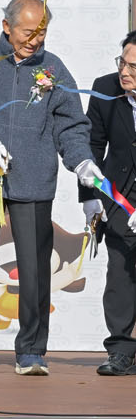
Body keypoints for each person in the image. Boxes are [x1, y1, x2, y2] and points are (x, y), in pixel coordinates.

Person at [0, 0, 98, 375]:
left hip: (34, 182)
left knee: (35, 269)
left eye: (42, 32)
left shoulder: (54, 69)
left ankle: (32, 351)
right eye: (27, 32)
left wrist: (81, 161)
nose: (35, 40)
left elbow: (71, 125)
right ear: (7, 27)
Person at [85, 32, 136, 377]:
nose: (124, 72)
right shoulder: (104, 89)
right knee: (119, 271)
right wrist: (90, 197)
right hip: (119, 194)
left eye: (133, 67)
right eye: (122, 63)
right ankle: (120, 350)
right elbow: (91, 145)